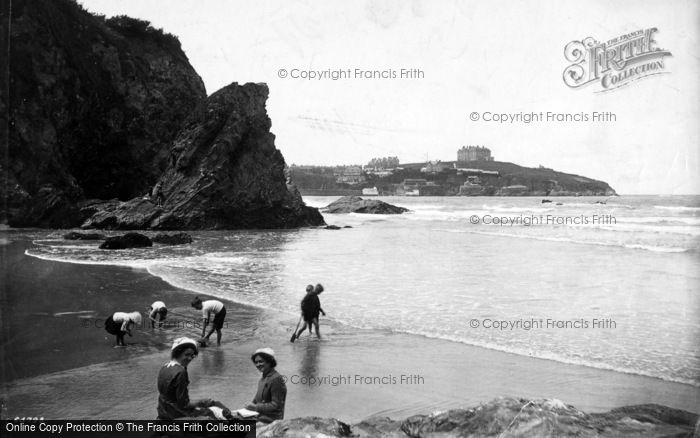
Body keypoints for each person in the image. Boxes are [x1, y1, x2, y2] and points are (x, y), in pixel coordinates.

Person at [157, 337, 219, 420]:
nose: (190, 358)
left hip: (163, 410)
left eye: (192, 356)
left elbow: (170, 397)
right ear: (178, 353)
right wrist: (201, 402)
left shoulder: (165, 367)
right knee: (210, 413)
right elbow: (184, 404)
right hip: (175, 413)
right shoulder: (181, 372)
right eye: (187, 355)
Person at [246, 348, 286, 423]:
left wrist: (255, 407)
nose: (258, 365)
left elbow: (276, 405)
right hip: (260, 416)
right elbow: (257, 399)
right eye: (256, 362)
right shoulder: (263, 379)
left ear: (269, 361)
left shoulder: (276, 379)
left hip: (271, 421)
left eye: (261, 361)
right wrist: (249, 406)